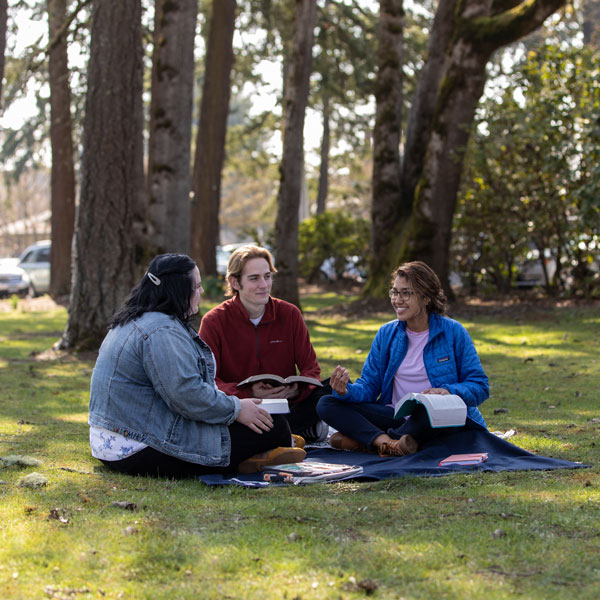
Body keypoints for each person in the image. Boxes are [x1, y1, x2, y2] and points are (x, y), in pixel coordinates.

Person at [88, 253, 305, 478]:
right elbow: (185, 394)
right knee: (274, 426)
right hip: (139, 447)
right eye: (197, 286)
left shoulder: (137, 319)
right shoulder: (161, 330)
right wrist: (236, 409)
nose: (201, 292)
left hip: (112, 441)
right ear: (179, 290)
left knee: (261, 420)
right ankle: (266, 450)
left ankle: (266, 450)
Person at [317, 261, 489, 456]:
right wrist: (346, 391)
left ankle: (370, 442)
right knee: (327, 403)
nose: (398, 300)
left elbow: (480, 387)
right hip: (396, 415)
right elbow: (370, 386)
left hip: (438, 418)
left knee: (427, 413)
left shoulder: (453, 332)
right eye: (395, 292)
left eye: (406, 293)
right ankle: (389, 443)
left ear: (426, 298)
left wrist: (448, 391)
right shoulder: (386, 334)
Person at [199, 245, 330, 443]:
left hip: (287, 404)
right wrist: (247, 392)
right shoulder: (214, 321)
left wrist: (296, 388)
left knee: (331, 392)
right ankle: (296, 431)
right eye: (254, 278)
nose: (264, 285)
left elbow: (311, 370)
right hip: (242, 408)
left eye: (267, 276)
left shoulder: (290, 314)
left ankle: (283, 432)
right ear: (235, 282)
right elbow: (208, 381)